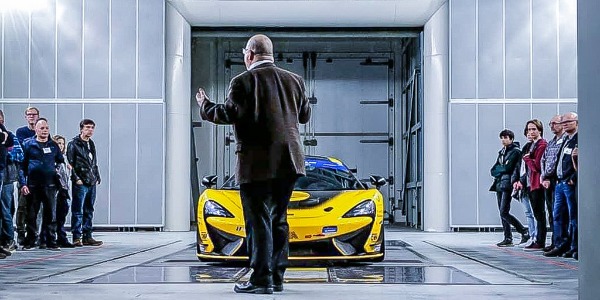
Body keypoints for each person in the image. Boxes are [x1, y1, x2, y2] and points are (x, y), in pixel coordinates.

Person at [196, 34, 311, 294]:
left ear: (249, 54)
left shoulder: (242, 81)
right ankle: (277, 277)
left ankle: (260, 280)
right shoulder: (296, 81)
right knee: (279, 219)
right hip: (290, 161)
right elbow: (304, 116)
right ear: (271, 54)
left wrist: (205, 105)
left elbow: (229, 113)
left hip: (256, 164)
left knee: (258, 221)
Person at [19, 118, 63, 250]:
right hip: (33, 185)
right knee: (31, 214)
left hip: (50, 185)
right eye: (42, 128)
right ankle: (31, 240)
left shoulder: (53, 145)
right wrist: (23, 184)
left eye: (47, 128)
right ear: (36, 130)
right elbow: (22, 166)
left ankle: (50, 240)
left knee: (51, 214)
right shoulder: (28, 144)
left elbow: (60, 161)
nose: (45, 131)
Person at [544, 112, 578, 259]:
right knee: (557, 216)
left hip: (569, 183)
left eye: (568, 121)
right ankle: (560, 244)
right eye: (563, 122)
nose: (565, 124)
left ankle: (574, 246)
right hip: (559, 183)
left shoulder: (578, 139)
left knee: (573, 216)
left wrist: (573, 178)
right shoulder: (566, 140)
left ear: (576, 122)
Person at [490, 129, 529, 247]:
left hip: (508, 184)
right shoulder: (502, 152)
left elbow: (508, 168)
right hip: (499, 184)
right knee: (502, 213)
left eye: (506, 137)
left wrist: (501, 169)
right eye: (502, 138)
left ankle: (523, 230)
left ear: (511, 139)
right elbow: (493, 169)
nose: (503, 140)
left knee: (504, 211)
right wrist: (501, 169)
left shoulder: (515, 152)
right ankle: (507, 237)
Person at [67, 119, 102, 247]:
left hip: (91, 181)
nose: (90, 130)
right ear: (81, 128)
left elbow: (93, 162)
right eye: (87, 127)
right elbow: (70, 163)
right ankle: (77, 236)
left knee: (89, 209)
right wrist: (77, 178)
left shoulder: (91, 144)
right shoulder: (73, 144)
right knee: (78, 210)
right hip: (80, 182)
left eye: (92, 127)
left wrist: (97, 176)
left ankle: (88, 235)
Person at [520, 120, 547, 250]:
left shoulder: (541, 144)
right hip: (530, 183)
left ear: (540, 130)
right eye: (529, 129)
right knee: (535, 213)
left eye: (534, 129)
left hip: (537, 184)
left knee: (539, 213)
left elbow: (537, 166)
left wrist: (527, 159)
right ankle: (536, 238)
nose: (531, 132)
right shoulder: (531, 145)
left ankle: (540, 240)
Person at [540, 115, 565, 252]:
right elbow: (544, 160)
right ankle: (555, 241)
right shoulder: (551, 142)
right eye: (550, 124)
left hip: (556, 180)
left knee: (559, 213)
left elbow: (557, 162)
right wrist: (544, 177)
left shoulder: (564, 141)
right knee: (551, 212)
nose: (552, 126)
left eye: (554, 123)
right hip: (547, 181)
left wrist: (550, 177)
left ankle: (560, 242)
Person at [15, 107, 40, 246]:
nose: (31, 116)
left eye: (34, 114)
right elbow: (23, 148)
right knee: (22, 206)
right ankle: (20, 232)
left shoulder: (43, 133)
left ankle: (33, 234)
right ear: (26, 117)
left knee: (36, 208)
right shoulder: (21, 132)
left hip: (38, 176)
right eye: (29, 114)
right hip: (25, 174)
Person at [0, 110, 20, 254]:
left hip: (7, 177)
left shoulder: (10, 135)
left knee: (5, 209)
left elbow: (18, 155)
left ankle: (8, 239)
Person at [53, 135, 74, 248]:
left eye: (62, 143)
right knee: (54, 215)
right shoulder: (53, 157)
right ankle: (54, 237)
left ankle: (61, 236)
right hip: (56, 189)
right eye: (58, 143)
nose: (60, 146)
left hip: (65, 189)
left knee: (62, 214)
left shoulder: (65, 158)